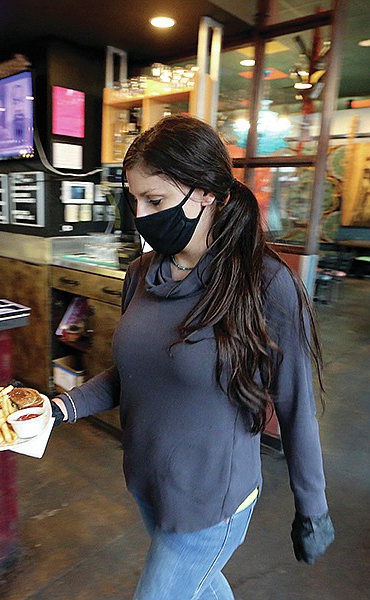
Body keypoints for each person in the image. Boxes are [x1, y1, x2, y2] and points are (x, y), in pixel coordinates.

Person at [49, 114, 334, 599]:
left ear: (206, 192)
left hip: (211, 499)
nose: (140, 215)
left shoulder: (264, 284)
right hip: (148, 481)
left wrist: (313, 507)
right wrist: (60, 407)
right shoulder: (141, 274)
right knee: (201, 588)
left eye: (154, 200)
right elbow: (138, 372)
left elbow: (295, 404)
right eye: (133, 199)